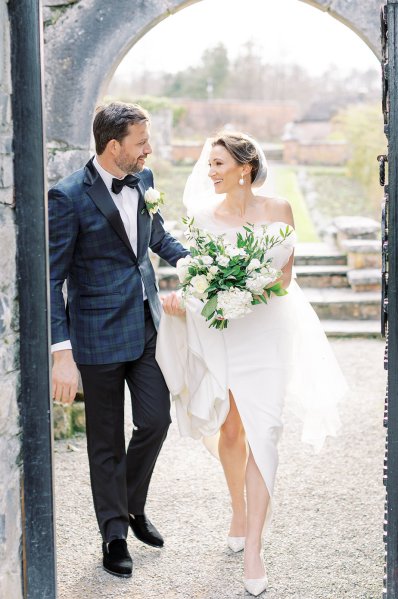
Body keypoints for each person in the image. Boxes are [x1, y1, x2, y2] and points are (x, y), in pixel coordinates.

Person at [157, 132, 347, 596]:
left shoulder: (279, 209)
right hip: (225, 328)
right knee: (231, 429)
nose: (211, 172)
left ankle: (256, 546)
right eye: (210, 165)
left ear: (245, 166)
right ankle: (237, 510)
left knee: (265, 430)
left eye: (219, 164)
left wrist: (250, 287)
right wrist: (192, 294)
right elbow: (198, 274)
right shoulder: (203, 216)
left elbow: (285, 275)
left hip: (269, 329)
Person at [49, 102, 189, 579]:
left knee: (156, 420)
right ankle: (113, 534)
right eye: (141, 143)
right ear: (114, 147)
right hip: (94, 338)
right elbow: (52, 280)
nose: (149, 150)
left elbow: (159, 239)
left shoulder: (144, 181)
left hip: (145, 325)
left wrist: (201, 266)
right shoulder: (67, 197)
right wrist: (60, 352)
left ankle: (129, 504)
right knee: (104, 441)